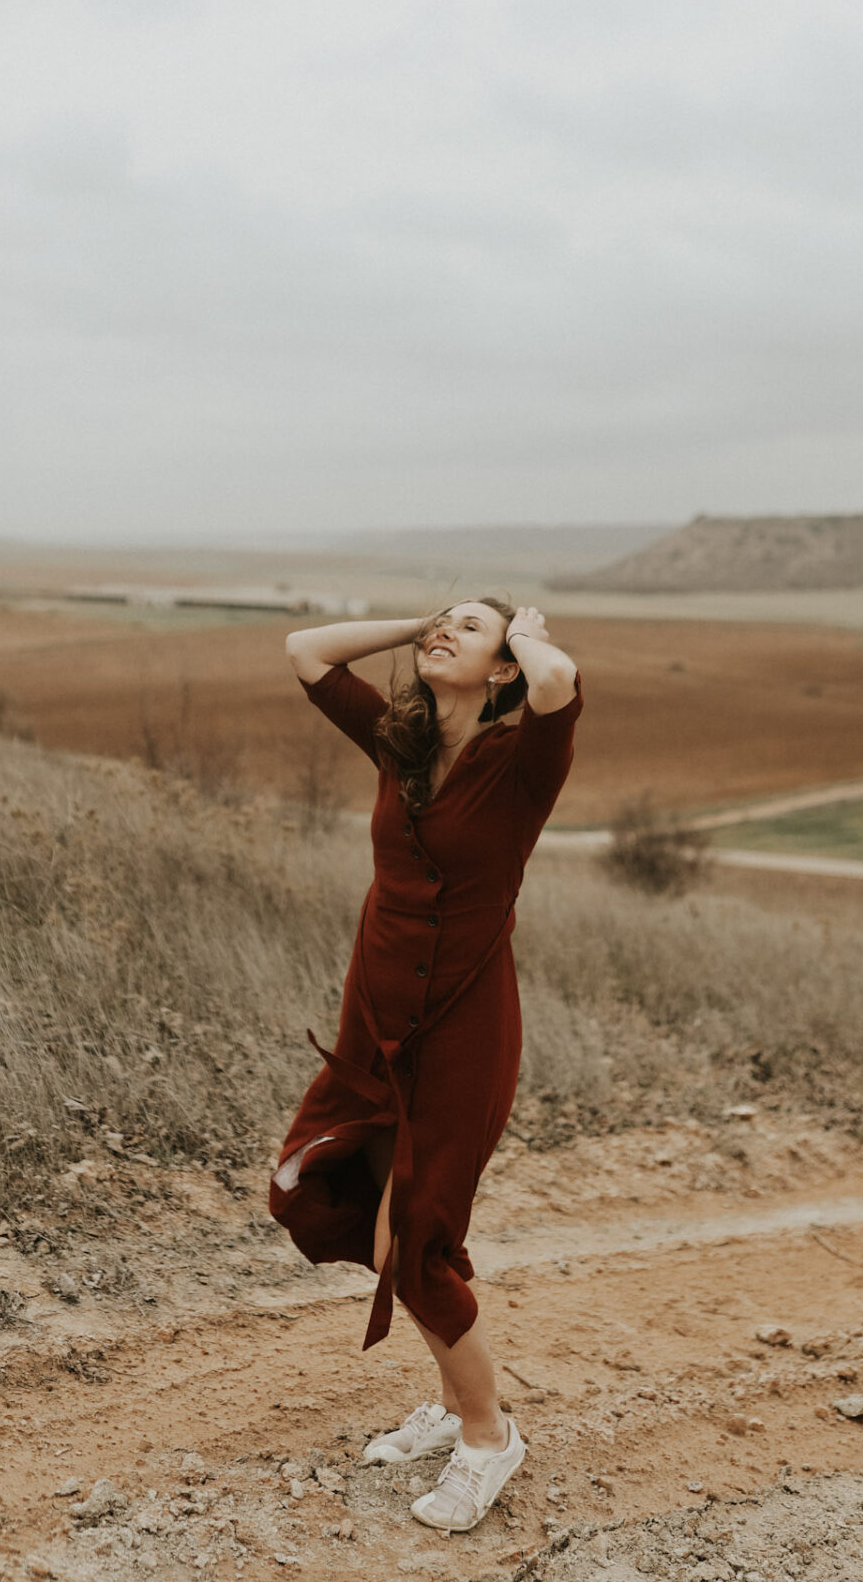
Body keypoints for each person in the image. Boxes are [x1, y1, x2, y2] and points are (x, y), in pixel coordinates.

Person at [269, 598, 582, 1533]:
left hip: (461, 1030)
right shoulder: (399, 748)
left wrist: (522, 634)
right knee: (366, 1215)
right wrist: (425, 623)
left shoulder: (521, 763)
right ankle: (452, 1409)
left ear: (502, 672)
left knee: (416, 1246)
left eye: (469, 628)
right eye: (441, 623)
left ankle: (489, 1437)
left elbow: (559, 685)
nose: (445, 633)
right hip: (374, 1023)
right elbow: (304, 650)